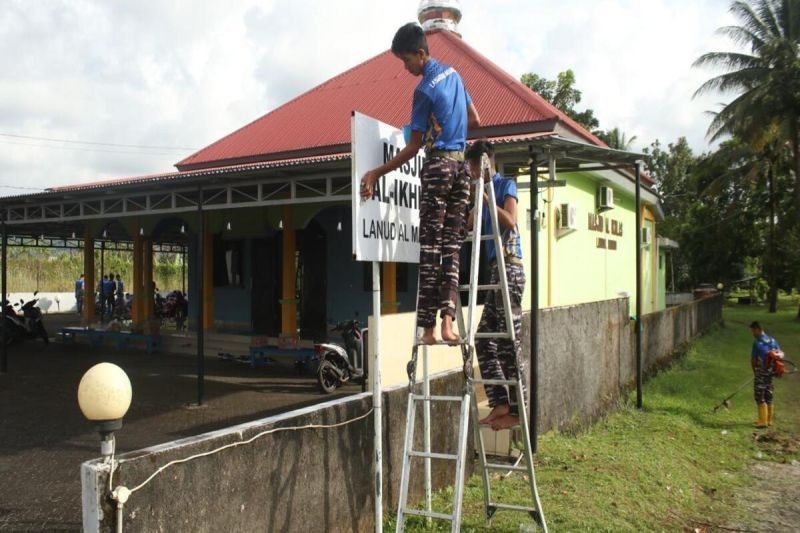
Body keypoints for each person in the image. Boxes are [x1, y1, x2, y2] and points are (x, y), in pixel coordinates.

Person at [361, 22, 480, 345]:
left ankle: (427, 330)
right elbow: (474, 120)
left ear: (421, 53)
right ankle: (448, 323)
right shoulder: (455, 75)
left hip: (439, 167)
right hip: (461, 170)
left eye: (406, 60)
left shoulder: (424, 90)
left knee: (430, 248)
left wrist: (375, 173)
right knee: (452, 248)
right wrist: (447, 129)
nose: (406, 67)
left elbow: (413, 147)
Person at [465, 140, 526, 431]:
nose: (473, 172)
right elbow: (469, 225)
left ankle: (521, 410)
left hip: (510, 269)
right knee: (483, 339)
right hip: (493, 273)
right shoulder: (480, 192)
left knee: (508, 341)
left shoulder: (505, 186)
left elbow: (511, 222)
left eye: (475, 167)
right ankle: (500, 402)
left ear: (486, 163)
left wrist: (488, 198)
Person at [750, 321, 782, 428]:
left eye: (753, 330)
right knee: (769, 394)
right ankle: (769, 420)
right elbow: (780, 354)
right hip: (771, 372)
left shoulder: (757, 342)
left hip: (761, 371)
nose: (752, 333)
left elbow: (754, 360)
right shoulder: (773, 340)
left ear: (758, 329)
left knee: (759, 395)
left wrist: (755, 371)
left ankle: (762, 421)